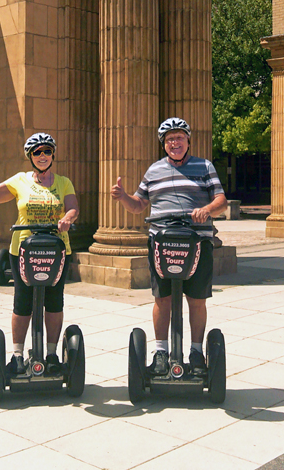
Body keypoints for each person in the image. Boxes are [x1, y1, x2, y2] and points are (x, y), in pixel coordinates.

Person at [111, 117, 227, 376]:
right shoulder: (153, 171)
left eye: (179, 138)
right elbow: (139, 205)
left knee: (196, 300)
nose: (175, 143)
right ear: (163, 144)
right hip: (162, 244)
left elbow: (221, 200)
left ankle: (196, 353)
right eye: (169, 139)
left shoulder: (204, 166)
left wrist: (207, 210)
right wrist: (123, 197)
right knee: (162, 299)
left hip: (197, 242)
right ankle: (161, 352)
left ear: (188, 141)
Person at [0, 133, 79, 375]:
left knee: (54, 301)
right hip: (24, 249)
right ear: (30, 157)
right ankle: (17, 356)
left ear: (53, 154)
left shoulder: (63, 182)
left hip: (56, 249)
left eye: (46, 151)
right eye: (37, 152)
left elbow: (73, 207)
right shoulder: (20, 180)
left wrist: (66, 218)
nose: (42, 155)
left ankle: (52, 354)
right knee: (23, 302)